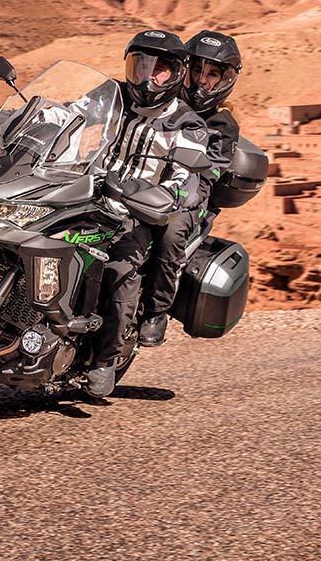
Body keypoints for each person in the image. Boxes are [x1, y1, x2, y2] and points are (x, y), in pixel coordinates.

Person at [86, 29, 212, 397]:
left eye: (157, 69)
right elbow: (68, 112)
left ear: (175, 74)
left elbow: (185, 180)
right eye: (139, 66)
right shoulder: (114, 96)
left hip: (138, 212)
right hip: (89, 192)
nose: (145, 76)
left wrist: (157, 197)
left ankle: (105, 359)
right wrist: (18, 116)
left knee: (120, 270)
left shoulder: (188, 123)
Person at [137, 29, 242, 348]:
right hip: (138, 182)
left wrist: (177, 195)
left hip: (186, 199)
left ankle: (156, 311)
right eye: (197, 70)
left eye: (211, 74)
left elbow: (208, 173)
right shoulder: (160, 101)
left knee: (170, 234)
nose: (201, 80)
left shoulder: (223, 125)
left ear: (224, 80)